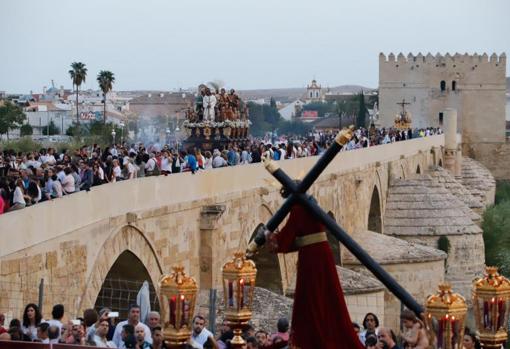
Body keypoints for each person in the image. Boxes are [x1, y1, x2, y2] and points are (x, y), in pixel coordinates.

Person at [265, 199, 364, 349]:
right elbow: (301, 240)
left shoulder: (298, 209)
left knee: (310, 296)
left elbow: (286, 237)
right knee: (326, 295)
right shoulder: (313, 206)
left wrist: (269, 236)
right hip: (323, 253)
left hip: (311, 258)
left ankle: (311, 338)